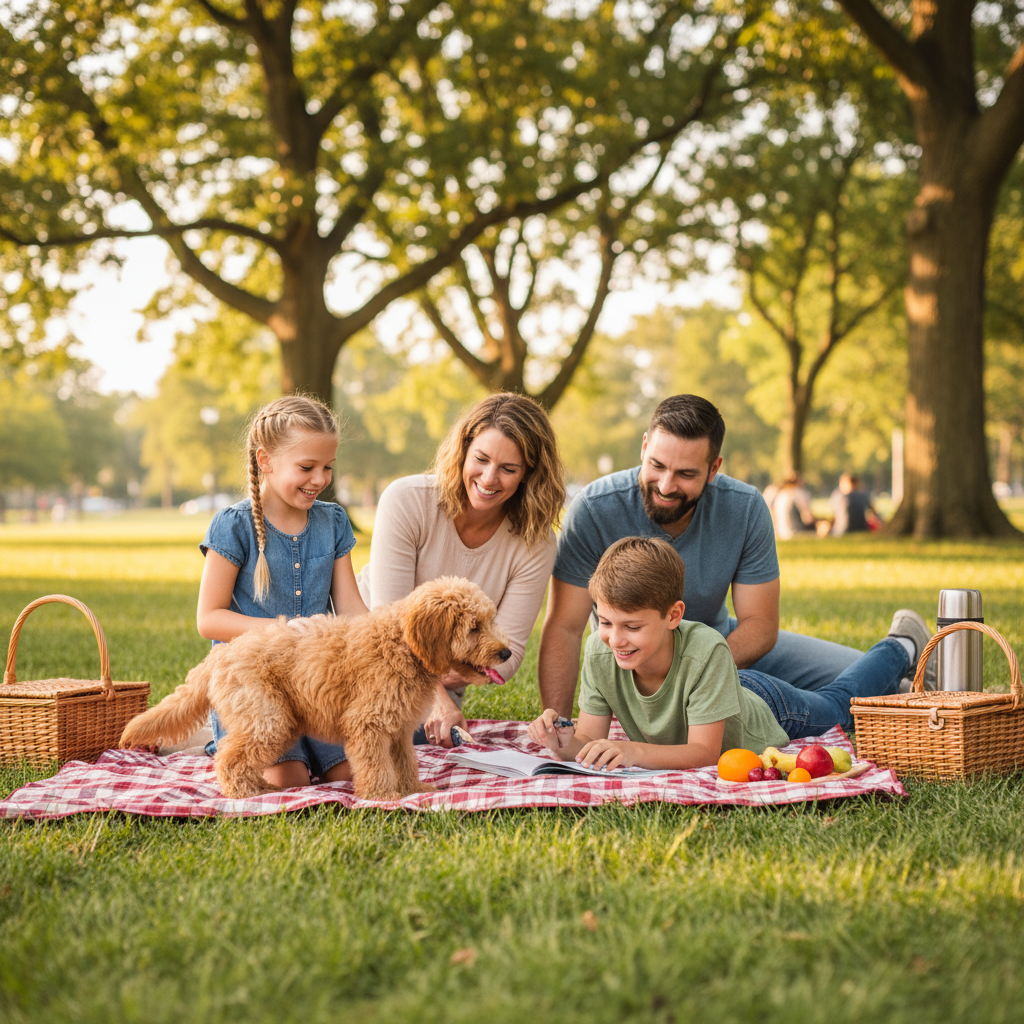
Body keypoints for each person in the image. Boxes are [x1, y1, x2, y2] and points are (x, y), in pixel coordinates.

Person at [538, 394, 862, 719]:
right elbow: (564, 627)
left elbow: (760, 624)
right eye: (657, 465)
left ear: (713, 469)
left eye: (686, 474)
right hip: (638, 664)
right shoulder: (594, 508)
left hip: (721, 647)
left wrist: (698, 674)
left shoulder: (745, 507)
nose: (666, 485)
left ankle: (903, 654)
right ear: (644, 446)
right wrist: (558, 724)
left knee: (866, 676)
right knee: (791, 704)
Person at [528, 537, 932, 770]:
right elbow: (588, 740)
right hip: (715, 695)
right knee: (862, 700)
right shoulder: (600, 654)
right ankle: (897, 689)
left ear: (674, 615)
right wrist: (560, 741)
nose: (615, 639)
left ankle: (901, 644)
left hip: (766, 708)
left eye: (632, 627)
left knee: (840, 706)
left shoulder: (705, 649)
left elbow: (705, 753)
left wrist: (632, 751)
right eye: (606, 622)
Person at [356, 392, 565, 747]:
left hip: (436, 677)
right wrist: (438, 697)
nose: (489, 478)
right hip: (365, 654)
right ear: (464, 451)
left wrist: (439, 683)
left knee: (410, 741)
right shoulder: (408, 500)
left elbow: (507, 651)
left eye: (508, 469)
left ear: (529, 475)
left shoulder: (536, 542)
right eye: (481, 459)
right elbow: (389, 624)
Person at [197, 395, 369, 788]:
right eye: (307, 467)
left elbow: (351, 607)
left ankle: (312, 746)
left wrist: (385, 641)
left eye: (328, 467)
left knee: (353, 775)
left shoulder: (333, 521)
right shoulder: (233, 525)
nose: (320, 479)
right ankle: (223, 739)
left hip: (319, 687)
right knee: (289, 783)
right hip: (257, 689)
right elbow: (209, 620)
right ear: (265, 461)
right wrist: (285, 629)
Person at [768, 473, 817, 539]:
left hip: (781, 532)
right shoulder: (796, 493)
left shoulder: (780, 495)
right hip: (795, 532)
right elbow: (808, 518)